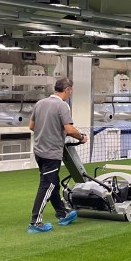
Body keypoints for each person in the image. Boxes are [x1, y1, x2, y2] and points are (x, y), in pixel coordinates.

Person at [27, 77, 88, 233]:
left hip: (39, 152)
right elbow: (69, 129)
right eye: (71, 91)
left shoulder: (40, 103)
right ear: (67, 89)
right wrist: (82, 137)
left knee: (53, 182)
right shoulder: (62, 106)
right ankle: (35, 222)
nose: (70, 94)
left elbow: (32, 126)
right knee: (47, 185)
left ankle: (62, 214)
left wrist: (48, 132)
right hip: (51, 153)